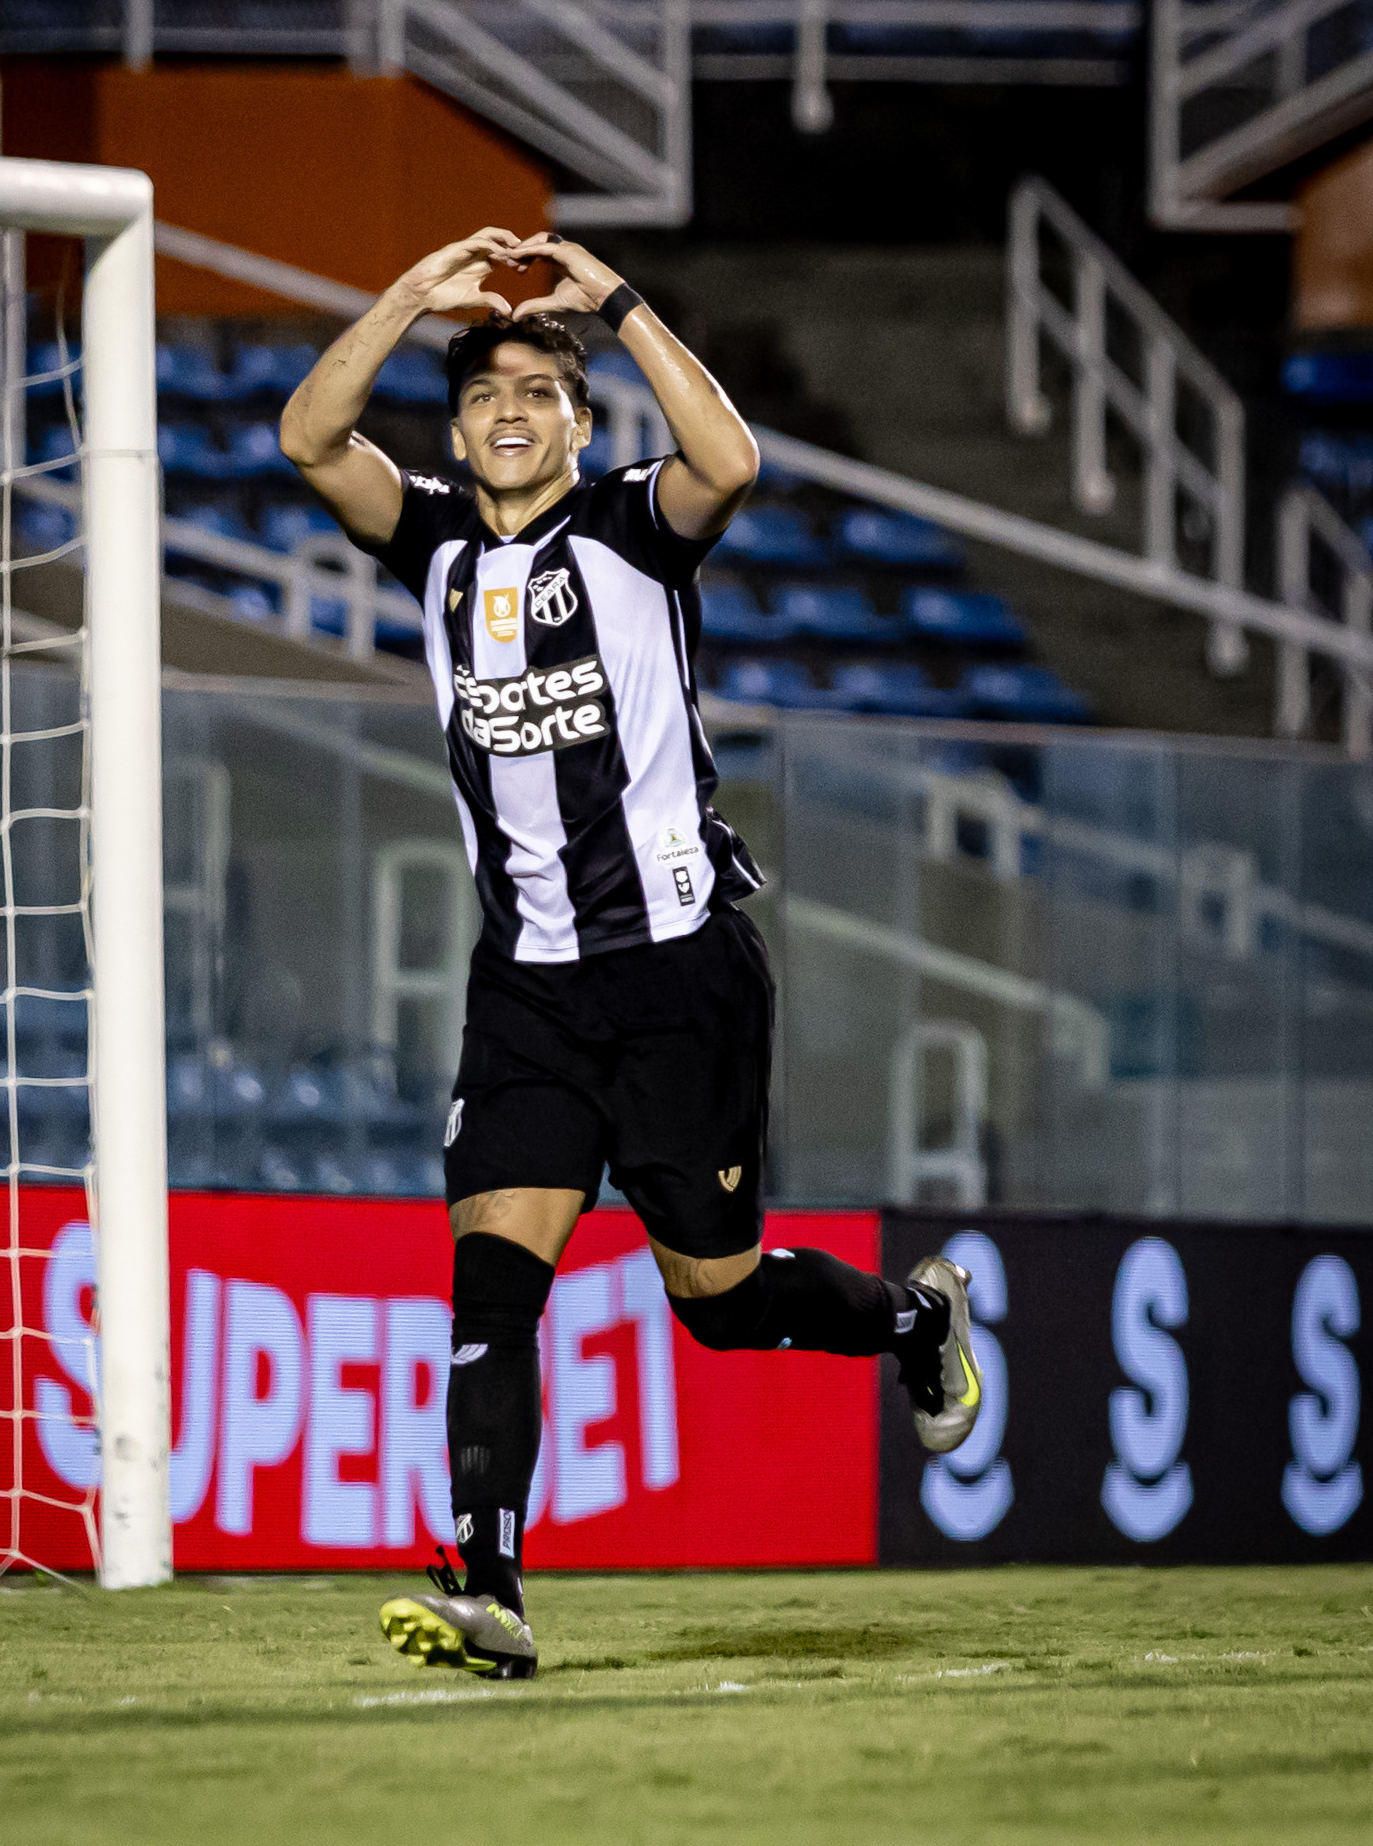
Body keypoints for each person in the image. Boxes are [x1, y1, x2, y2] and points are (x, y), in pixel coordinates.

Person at [281, 229, 982, 1679]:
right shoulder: (429, 541)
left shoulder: (628, 527)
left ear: (582, 421)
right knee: (491, 1288)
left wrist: (615, 304)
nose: (511, 410)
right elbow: (307, 435)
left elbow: (733, 466)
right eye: (485, 393)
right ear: (460, 424)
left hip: (680, 982)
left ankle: (914, 1317)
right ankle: (490, 1585)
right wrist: (413, 294)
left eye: (541, 389)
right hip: (527, 988)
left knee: (715, 1304)